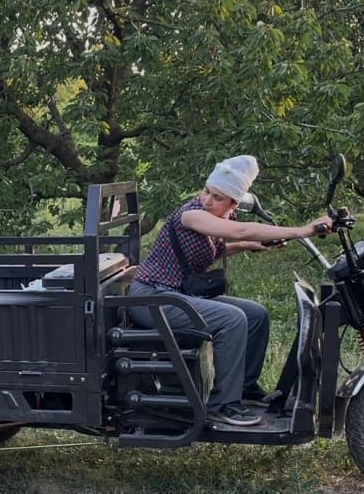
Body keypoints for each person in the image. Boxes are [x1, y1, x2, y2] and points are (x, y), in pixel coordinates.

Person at [127, 155, 331, 426]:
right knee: (232, 319)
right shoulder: (192, 214)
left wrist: (248, 246)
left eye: (217, 197)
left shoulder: (214, 216)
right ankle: (222, 404)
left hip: (174, 296)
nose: (207, 200)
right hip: (151, 299)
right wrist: (305, 230)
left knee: (256, 315)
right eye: (207, 191)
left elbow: (213, 248)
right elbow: (241, 229)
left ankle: (245, 388)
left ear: (234, 203)